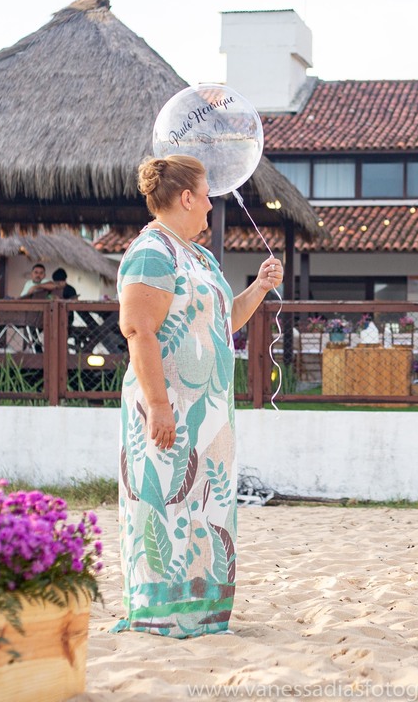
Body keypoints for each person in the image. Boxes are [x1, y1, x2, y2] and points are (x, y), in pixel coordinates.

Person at [114, 155, 282, 637]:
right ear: (186, 197)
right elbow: (138, 328)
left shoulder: (198, 256)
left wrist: (259, 289)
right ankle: (161, 616)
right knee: (164, 506)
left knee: (204, 509)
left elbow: (221, 323)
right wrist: (160, 405)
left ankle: (202, 615)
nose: (211, 203)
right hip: (169, 410)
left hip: (207, 415)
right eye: (206, 194)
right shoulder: (152, 252)